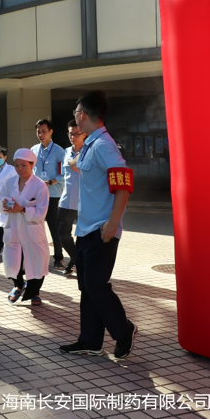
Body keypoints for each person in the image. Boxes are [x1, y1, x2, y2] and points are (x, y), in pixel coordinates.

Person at [60, 90, 136, 358]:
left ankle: (124, 330)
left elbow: (123, 184)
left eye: (76, 112)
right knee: (86, 287)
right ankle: (90, 340)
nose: (75, 117)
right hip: (85, 229)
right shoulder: (90, 145)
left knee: (96, 285)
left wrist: (112, 223)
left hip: (101, 230)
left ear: (82, 115)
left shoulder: (104, 146)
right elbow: (79, 164)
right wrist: (70, 161)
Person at [0, 149, 50, 306]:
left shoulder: (40, 186)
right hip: (13, 230)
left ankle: (35, 292)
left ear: (32, 165)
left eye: (23, 165)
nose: (20, 169)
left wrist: (22, 209)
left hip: (32, 232)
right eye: (17, 165)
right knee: (13, 263)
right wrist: (3, 204)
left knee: (36, 263)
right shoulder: (9, 183)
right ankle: (18, 286)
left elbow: (41, 212)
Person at [31, 119, 65, 268]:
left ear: (51, 131)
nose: (41, 134)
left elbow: (63, 174)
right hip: (36, 195)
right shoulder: (33, 150)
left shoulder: (59, 151)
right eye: (38, 131)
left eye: (44, 131)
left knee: (53, 226)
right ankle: (37, 256)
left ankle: (58, 257)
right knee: (35, 226)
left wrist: (49, 183)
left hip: (53, 194)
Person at [57, 120, 86, 276]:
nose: (73, 137)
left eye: (76, 134)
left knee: (83, 236)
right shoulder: (66, 152)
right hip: (66, 200)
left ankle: (80, 263)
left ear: (84, 134)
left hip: (84, 202)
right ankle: (75, 258)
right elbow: (64, 175)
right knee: (62, 233)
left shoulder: (89, 151)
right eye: (70, 134)